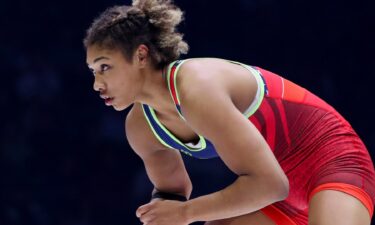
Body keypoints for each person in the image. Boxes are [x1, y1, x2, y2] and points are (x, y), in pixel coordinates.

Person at [83, 0, 375, 224]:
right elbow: (171, 195)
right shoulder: (140, 128)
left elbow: (271, 184)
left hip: (332, 162)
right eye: (93, 71)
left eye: (105, 67)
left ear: (141, 56)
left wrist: (185, 213)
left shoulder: (197, 88)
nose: (97, 83)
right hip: (277, 193)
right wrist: (164, 213)